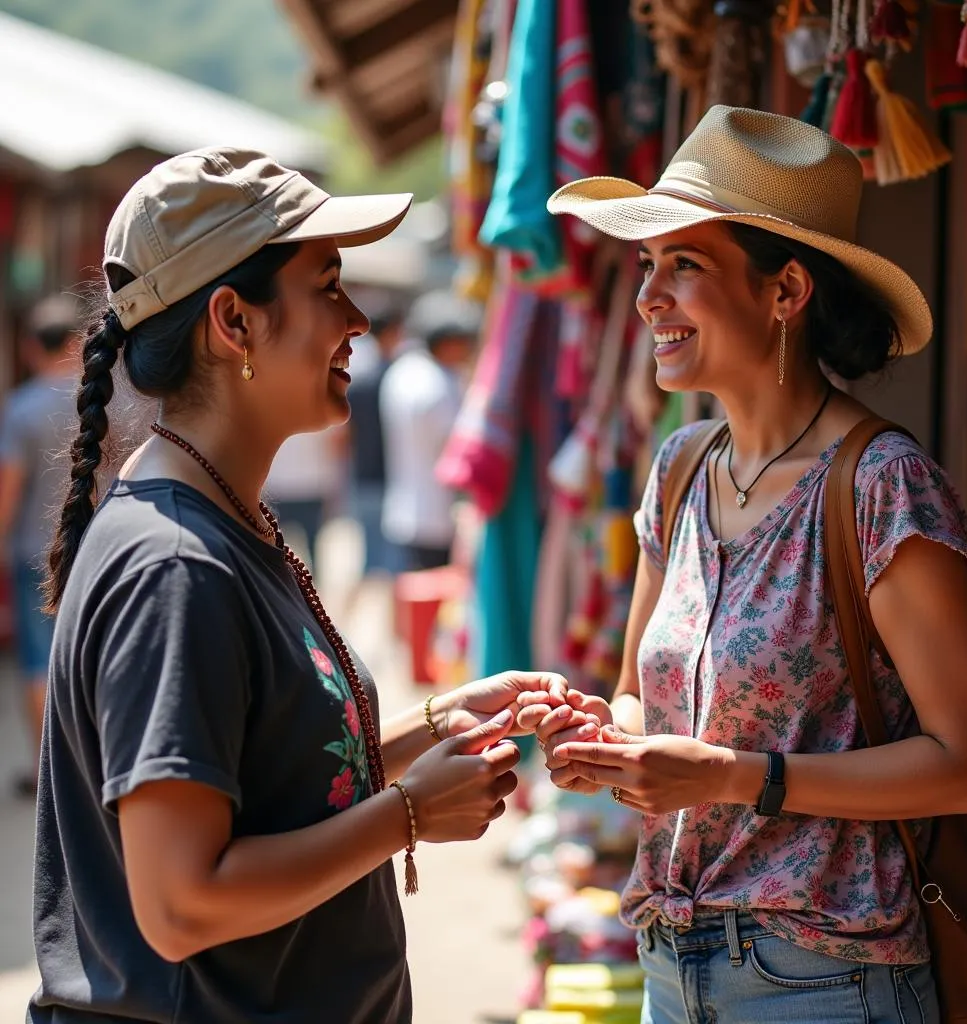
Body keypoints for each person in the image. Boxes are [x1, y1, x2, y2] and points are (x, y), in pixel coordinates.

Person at [30, 147, 578, 1024]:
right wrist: (406, 814)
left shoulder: (221, 514)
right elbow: (183, 905)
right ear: (233, 322)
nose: (357, 317)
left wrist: (440, 721)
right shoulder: (174, 563)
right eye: (327, 285)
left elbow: (278, 771)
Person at [518, 106, 967, 1022]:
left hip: (829, 979)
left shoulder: (883, 489)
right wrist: (604, 737)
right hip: (671, 960)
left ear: (785, 291)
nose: (648, 298)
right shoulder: (680, 472)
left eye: (685, 265)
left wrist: (732, 775)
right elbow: (639, 693)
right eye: (647, 267)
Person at [0, 295, 80, 798]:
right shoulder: (112, 397)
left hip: (34, 551)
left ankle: (45, 767)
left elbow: (9, 487)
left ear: (33, 348)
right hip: (96, 548)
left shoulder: (21, 407)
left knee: (38, 660)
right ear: (77, 343)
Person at [379, 289, 482, 572]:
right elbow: (457, 448)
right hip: (435, 516)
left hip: (404, 509)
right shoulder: (436, 385)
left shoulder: (402, 370)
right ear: (446, 343)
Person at [344, 294, 405, 576]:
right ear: (393, 332)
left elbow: (346, 435)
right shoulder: (402, 379)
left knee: (371, 559)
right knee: (394, 561)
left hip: (363, 475)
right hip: (395, 479)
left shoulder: (359, 382)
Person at [264, 426, 343, 578]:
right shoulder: (316, 407)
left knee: (276, 551)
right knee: (305, 550)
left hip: (288, 487)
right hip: (301, 486)